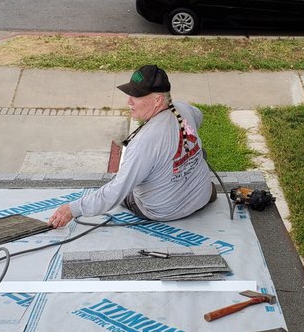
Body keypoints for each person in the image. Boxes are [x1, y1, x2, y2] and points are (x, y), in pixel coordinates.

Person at [48, 65, 216, 228]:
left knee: (123, 185)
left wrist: (72, 209)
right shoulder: (183, 109)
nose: (128, 102)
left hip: (165, 211)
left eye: (136, 96)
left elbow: (115, 193)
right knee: (198, 153)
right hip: (202, 196)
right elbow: (198, 117)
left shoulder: (143, 143)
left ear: (157, 100)